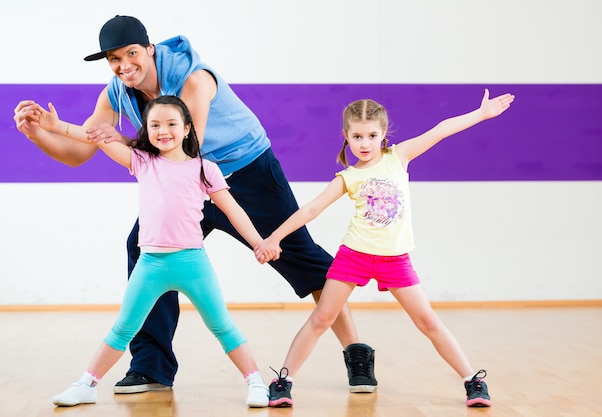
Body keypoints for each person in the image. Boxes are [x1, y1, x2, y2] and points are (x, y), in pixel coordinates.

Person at [13, 15, 377, 394]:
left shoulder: (194, 78)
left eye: (132, 54)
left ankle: (356, 353)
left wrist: (103, 136)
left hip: (246, 172)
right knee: (145, 249)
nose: (124, 65)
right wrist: (42, 132)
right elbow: (78, 153)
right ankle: (151, 368)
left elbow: (186, 151)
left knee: (300, 256)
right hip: (182, 182)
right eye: (114, 59)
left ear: (149, 49)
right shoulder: (116, 92)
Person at [254, 89, 515, 408]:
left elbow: (441, 129)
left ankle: (473, 381)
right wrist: (273, 238)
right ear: (346, 137)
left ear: (383, 135)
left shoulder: (399, 157)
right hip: (354, 256)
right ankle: (283, 381)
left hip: (395, 260)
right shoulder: (348, 177)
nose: (364, 143)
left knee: (428, 321)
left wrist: (481, 114)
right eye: (357, 136)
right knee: (323, 317)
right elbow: (310, 210)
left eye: (372, 135)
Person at [50, 95, 276, 407]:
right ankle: (86, 383)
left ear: (186, 129)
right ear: (146, 130)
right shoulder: (142, 161)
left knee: (222, 326)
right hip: (150, 264)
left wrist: (258, 243)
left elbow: (234, 210)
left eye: (171, 123)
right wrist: (57, 126)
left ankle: (256, 382)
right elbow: (97, 137)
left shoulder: (205, 169)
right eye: (154, 124)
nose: (162, 130)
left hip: (192, 263)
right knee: (123, 329)